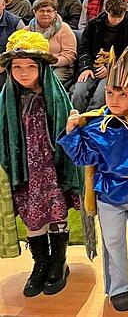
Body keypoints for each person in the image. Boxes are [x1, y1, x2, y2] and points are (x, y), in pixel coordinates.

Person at [59, 50, 128, 311]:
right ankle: (118, 287)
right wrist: (72, 132)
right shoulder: (97, 124)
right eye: (110, 93)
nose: (115, 100)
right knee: (113, 241)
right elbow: (83, 156)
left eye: (123, 94)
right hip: (108, 193)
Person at [0, 30, 89, 297]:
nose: (23, 73)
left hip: (51, 170)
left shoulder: (56, 95)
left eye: (30, 67)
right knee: (32, 215)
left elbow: (66, 131)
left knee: (56, 212)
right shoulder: (7, 99)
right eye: (17, 67)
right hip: (24, 170)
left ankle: (58, 262)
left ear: (41, 68)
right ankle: (40, 263)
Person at [73, 0, 128, 112]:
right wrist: (86, 68)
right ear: (106, 11)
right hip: (92, 66)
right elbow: (84, 48)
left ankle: (92, 124)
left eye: (120, 16)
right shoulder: (94, 24)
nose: (117, 20)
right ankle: (77, 121)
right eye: (113, 16)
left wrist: (110, 68)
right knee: (79, 93)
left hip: (115, 70)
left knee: (100, 96)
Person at [25, 0, 76, 84]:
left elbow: (70, 55)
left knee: (46, 82)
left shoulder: (64, 28)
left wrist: (50, 62)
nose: (45, 14)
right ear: (34, 12)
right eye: (41, 11)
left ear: (55, 13)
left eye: (49, 11)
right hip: (33, 66)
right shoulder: (26, 30)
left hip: (60, 67)